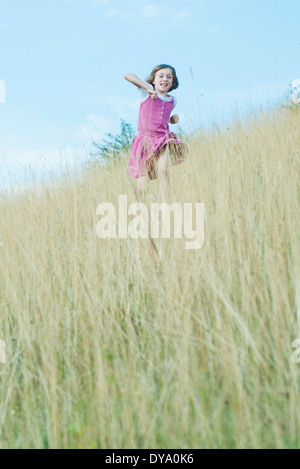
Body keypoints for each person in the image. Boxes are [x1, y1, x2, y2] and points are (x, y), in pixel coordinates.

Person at [124, 64, 187, 201]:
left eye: (169, 77)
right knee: (142, 182)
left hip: (162, 139)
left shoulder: (172, 100)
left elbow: (162, 117)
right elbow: (127, 75)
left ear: (172, 82)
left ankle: (166, 202)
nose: (165, 79)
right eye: (161, 76)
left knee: (164, 170)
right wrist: (147, 87)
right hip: (145, 140)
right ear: (153, 80)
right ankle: (138, 203)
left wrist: (171, 120)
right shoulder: (146, 92)